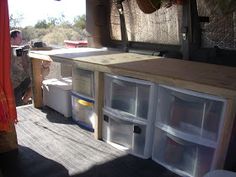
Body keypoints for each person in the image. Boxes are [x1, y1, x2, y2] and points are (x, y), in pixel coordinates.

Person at [10, 29, 32, 106]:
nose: (21, 40)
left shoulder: (19, 50)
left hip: (20, 81)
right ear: (12, 39)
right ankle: (23, 103)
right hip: (14, 84)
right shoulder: (9, 50)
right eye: (19, 38)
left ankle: (24, 101)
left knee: (37, 80)